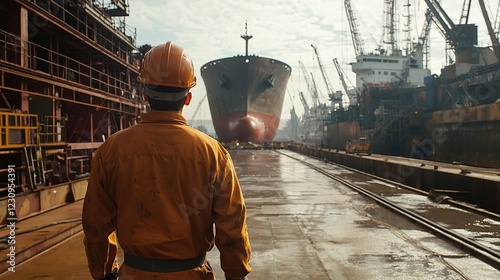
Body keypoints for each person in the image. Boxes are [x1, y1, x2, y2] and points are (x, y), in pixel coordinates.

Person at [82, 41, 251, 280]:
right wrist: (236, 273)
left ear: (144, 94)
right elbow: (232, 225)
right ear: (188, 98)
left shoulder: (112, 150)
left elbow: (95, 224)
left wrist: (104, 273)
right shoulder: (214, 153)